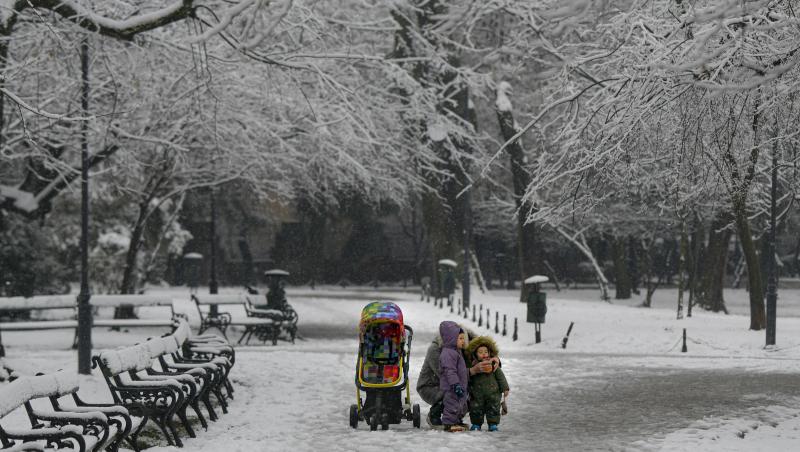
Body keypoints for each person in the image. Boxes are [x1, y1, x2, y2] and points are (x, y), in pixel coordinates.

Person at [417, 324, 498, 429]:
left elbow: (485, 348)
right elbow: (447, 375)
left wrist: (495, 358)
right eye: (460, 339)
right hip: (431, 386)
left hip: (454, 381)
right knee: (453, 392)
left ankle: (456, 418)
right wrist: (473, 370)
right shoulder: (436, 350)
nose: (463, 342)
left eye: (464, 340)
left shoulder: (466, 342)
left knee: (474, 393)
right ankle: (434, 415)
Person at [466, 336, 509, 432]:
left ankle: (493, 424)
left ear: (490, 353)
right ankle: (476, 424)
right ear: (475, 354)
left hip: (493, 393)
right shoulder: (473, 365)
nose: (483, 354)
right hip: (477, 394)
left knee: (493, 409)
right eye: (480, 352)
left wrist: (505, 388)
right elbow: (469, 377)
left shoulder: (494, 365)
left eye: (486, 352)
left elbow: (501, 377)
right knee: (476, 409)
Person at [438, 321, 469, 432]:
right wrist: (455, 384)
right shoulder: (447, 353)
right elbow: (450, 371)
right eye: (460, 338)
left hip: (459, 386)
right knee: (452, 405)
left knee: (460, 405)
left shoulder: (456, 352)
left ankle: (456, 421)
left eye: (463, 338)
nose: (463, 341)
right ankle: (448, 423)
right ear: (451, 339)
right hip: (452, 387)